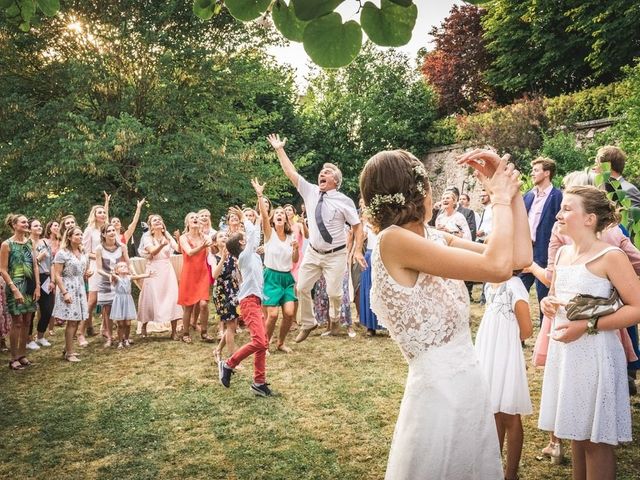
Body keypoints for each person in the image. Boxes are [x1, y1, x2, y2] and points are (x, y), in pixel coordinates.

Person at [360, 148, 531, 479]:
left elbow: (518, 258)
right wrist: (497, 198)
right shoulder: (391, 241)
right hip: (439, 398)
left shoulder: (432, 237)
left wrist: (512, 193)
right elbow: (496, 268)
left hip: (469, 387)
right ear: (418, 188)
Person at [538, 185, 640, 480]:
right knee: (575, 435)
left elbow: (636, 307)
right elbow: (557, 295)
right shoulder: (563, 254)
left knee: (595, 441)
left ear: (589, 219)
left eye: (567, 209)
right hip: (565, 352)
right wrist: (546, 302)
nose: (559, 214)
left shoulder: (611, 256)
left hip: (595, 353)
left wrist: (587, 325)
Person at [267, 133, 365, 343]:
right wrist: (279, 149)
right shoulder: (310, 191)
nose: (322, 173)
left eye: (327, 172)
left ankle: (336, 317)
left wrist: (356, 250)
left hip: (335, 255)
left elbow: (357, 226)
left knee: (334, 293)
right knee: (301, 287)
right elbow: (290, 172)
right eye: (322, 171)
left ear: (335, 181)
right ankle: (309, 322)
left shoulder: (344, 200)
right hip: (313, 252)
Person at [474, 273, 533, 480]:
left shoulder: (514, 285)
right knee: (493, 411)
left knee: (509, 412)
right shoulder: (489, 283)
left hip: (506, 355)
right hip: (488, 352)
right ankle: (494, 468)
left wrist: (507, 345)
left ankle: (511, 474)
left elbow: (527, 330)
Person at [218, 207, 272, 397]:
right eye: (245, 237)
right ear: (242, 242)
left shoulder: (251, 254)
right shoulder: (245, 255)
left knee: (262, 343)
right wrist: (243, 218)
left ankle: (259, 382)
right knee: (259, 341)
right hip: (249, 302)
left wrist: (259, 209)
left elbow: (255, 234)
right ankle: (229, 364)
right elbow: (252, 235)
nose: (248, 239)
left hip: (254, 301)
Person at [252, 179, 298, 353]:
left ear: (286, 219)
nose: (279, 214)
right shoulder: (269, 234)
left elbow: (294, 260)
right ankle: (264, 344)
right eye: (277, 213)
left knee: (289, 313)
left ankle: (281, 343)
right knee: (272, 315)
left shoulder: (290, 237)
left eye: (282, 213)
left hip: (286, 278)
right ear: (273, 218)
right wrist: (260, 194)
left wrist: (296, 249)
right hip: (271, 276)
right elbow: (264, 216)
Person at [520, 157, 562, 322]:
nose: (532, 173)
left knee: (544, 298)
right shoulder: (528, 196)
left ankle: (546, 339)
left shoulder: (558, 196)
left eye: (536, 170)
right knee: (519, 291)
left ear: (547, 173)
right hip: (526, 252)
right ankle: (518, 335)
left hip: (544, 253)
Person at [0, 214, 40, 370]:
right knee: (17, 322)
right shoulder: (6, 244)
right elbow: (2, 269)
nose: (26, 224)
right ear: (14, 225)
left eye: (26, 222)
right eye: (23, 222)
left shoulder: (30, 242)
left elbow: (35, 266)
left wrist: (37, 286)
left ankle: (23, 355)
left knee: (28, 322)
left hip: (30, 285)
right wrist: (14, 288)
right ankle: (14, 357)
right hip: (15, 286)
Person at [137, 215, 183, 339]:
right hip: (153, 270)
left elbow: (178, 249)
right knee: (150, 297)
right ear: (151, 226)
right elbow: (152, 251)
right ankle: (144, 326)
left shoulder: (167, 236)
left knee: (172, 297)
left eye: (159, 219)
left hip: (167, 270)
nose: (158, 221)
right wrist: (162, 245)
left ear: (162, 225)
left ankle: (174, 332)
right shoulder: (147, 237)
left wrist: (178, 239)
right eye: (154, 220)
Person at [51, 227, 91, 363]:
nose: (80, 236)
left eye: (81, 234)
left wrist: (86, 273)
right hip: (68, 288)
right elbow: (57, 275)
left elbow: (82, 269)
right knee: (72, 321)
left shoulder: (82, 251)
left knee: (78, 319)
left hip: (80, 287)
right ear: (69, 237)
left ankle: (67, 348)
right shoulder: (62, 253)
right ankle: (69, 353)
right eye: (77, 234)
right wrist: (65, 293)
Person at [178, 212, 214, 343]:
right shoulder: (183, 238)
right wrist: (203, 246)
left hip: (202, 272)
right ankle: (185, 333)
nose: (195, 219)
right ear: (187, 223)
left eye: (197, 218)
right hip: (189, 274)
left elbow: (211, 251)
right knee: (189, 306)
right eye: (192, 218)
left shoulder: (205, 236)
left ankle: (204, 332)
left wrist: (211, 245)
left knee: (204, 304)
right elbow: (189, 252)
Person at [95, 223, 129, 347]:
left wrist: (132, 275)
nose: (111, 232)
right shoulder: (99, 248)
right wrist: (109, 275)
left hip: (120, 282)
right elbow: (98, 268)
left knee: (123, 309)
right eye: (108, 231)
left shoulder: (122, 247)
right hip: (106, 282)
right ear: (103, 234)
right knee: (107, 312)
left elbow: (128, 263)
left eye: (113, 230)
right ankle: (109, 337)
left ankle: (124, 337)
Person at [82, 199, 110, 344]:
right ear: (94, 215)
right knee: (92, 300)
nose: (103, 214)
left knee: (106, 299)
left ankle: (105, 329)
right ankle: (81, 331)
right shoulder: (89, 230)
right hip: (95, 266)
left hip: (107, 266)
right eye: (100, 212)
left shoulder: (107, 229)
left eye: (104, 212)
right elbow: (86, 252)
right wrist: (100, 256)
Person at [109, 261, 150, 348]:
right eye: (121, 266)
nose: (124, 267)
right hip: (119, 301)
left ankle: (126, 339)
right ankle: (120, 341)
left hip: (128, 300)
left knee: (128, 323)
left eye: (125, 266)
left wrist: (147, 275)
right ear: (117, 270)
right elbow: (112, 279)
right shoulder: (116, 278)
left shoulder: (129, 277)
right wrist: (113, 274)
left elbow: (138, 276)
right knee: (120, 324)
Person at [30, 218, 54, 348]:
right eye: (35, 225)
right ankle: (29, 340)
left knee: (48, 309)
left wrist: (52, 280)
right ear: (30, 228)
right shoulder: (28, 243)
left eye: (40, 225)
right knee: (32, 311)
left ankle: (40, 336)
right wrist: (39, 258)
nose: (39, 227)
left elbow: (52, 263)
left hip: (46, 278)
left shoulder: (45, 242)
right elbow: (29, 264)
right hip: (33, 278)